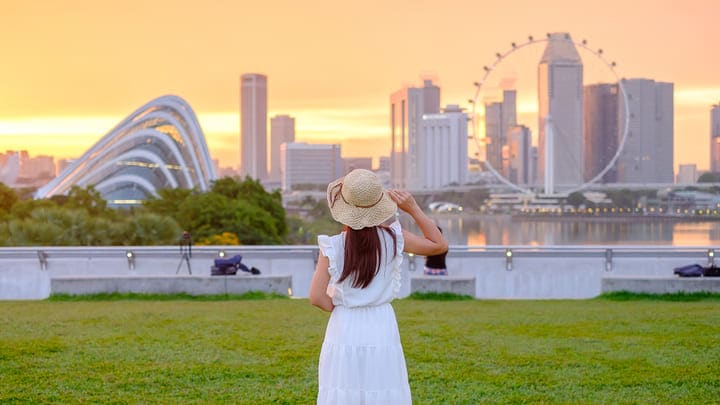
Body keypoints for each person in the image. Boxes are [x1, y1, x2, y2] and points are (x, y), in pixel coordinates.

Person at [309, 169, 448, 404]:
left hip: (345, 324)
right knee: (383, 385)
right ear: (378, 205)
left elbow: (316, 297)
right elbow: (439, 245)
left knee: (344, 387)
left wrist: (342, 306)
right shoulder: (394, 238)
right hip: (381, 321)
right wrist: (413, 208)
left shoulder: (332, 246)